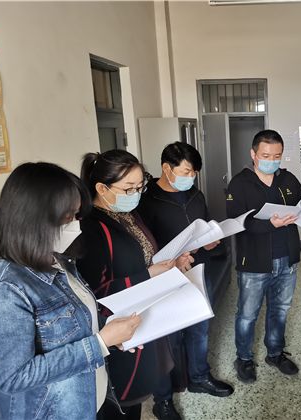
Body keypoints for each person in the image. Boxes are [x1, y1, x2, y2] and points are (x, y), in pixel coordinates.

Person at [0, 162, 141, 419]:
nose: (76, 225)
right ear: (33, 218)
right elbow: (14, 378)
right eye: (68, 217)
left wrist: (111, 330)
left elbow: (74, 321)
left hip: (88, 399)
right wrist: (100, 343)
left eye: (77, 215)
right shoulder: (1, 290)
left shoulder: (58, 260)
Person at [76, 150, 193, 420]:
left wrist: (171, 264)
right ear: (102, 188)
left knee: (138, 396)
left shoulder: (128, 214)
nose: (137, 194)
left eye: (140, 186)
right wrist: (148, 275)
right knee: (121, 403)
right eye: (129, 188)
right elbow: (94, 292)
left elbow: (143, 257)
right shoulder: (92, 228)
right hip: (117, 332)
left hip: (142, 317)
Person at [138, 142, 234, 411]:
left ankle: (200, 377)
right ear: (166, 169)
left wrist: (210, 241)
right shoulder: (146, 201)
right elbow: (144, 246)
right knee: (167, 338)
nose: (191, 178)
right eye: (186, 172)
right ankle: (163, 399)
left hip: (196, 270)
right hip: (164, 278)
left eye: (194, 173)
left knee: (199, 328)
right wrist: (171, 260)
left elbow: (205, 224)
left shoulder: (195, 195)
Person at [226, 129, 301, 383]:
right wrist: (269, 224)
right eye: (266, 156)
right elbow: (236, 223)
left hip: (287, 259)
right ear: (253, 154)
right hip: (254, 262)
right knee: (247, 314)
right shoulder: (239, 184)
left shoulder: (288, 179)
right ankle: (244, 358)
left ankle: (275, 353)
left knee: (280, 310)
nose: (272, 161)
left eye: (277, 156)